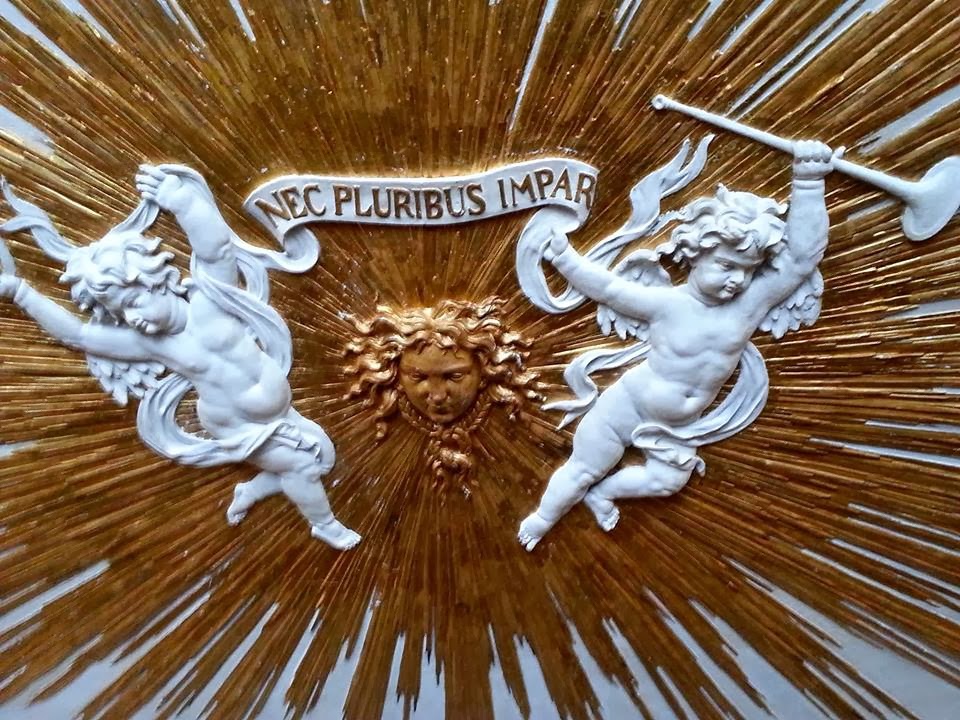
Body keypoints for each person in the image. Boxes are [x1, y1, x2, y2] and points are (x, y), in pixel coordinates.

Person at [0, 165, 360, 549]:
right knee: (301, 465)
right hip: (234, 422)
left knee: (322, 459)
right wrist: (21, 292)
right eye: (122, 314)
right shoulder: (152, 345)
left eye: (133, 302)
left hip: (277, 410)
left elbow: (216, 249)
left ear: (155, 280)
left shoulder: (212, 301)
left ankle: (253, 490)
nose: (132, 318)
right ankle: (324, 524)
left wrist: (183, 202)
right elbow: (80, 335)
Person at [518, 140, 837, 551]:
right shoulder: (667, 304)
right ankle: (543, 519)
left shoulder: (749, 306)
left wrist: (808, 181)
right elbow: (609, 289)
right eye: (726, 265)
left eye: (746, 270)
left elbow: (800, 259)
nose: (737, 280)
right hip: (627, 407)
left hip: (681, 426)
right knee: (582, 468)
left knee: (666, 481)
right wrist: (565, 260)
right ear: (696, 254)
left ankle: (605, 494)